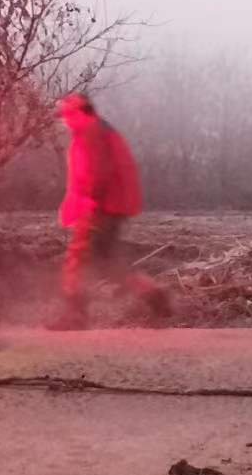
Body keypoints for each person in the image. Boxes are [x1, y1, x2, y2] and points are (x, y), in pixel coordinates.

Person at [51, 94, 171, 330]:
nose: (64, 121)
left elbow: (95, 173)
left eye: (68, 115)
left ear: (81, 113)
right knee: (106, 263)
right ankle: (152, 292)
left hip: (99, 206)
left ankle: (74, 316)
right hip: (111, 205)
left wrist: (89, 205)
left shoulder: (91, 132)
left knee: (77, 259)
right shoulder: (97, 129)